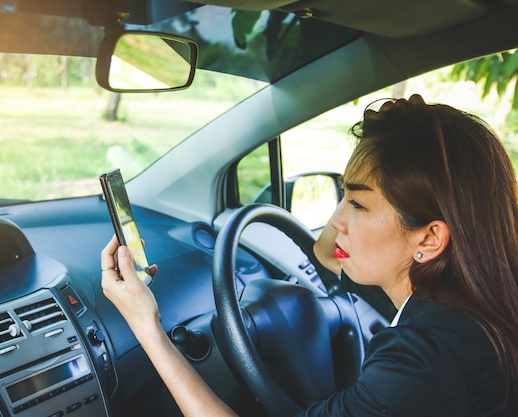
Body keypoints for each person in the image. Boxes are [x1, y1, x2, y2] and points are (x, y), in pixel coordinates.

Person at [101, 94, 518, 416]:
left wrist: (147, 325)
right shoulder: (476, 300)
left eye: (358, 204)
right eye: (343, 195)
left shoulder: (421, 360)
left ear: (429, 239)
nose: (336, 219)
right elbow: (322, 253)